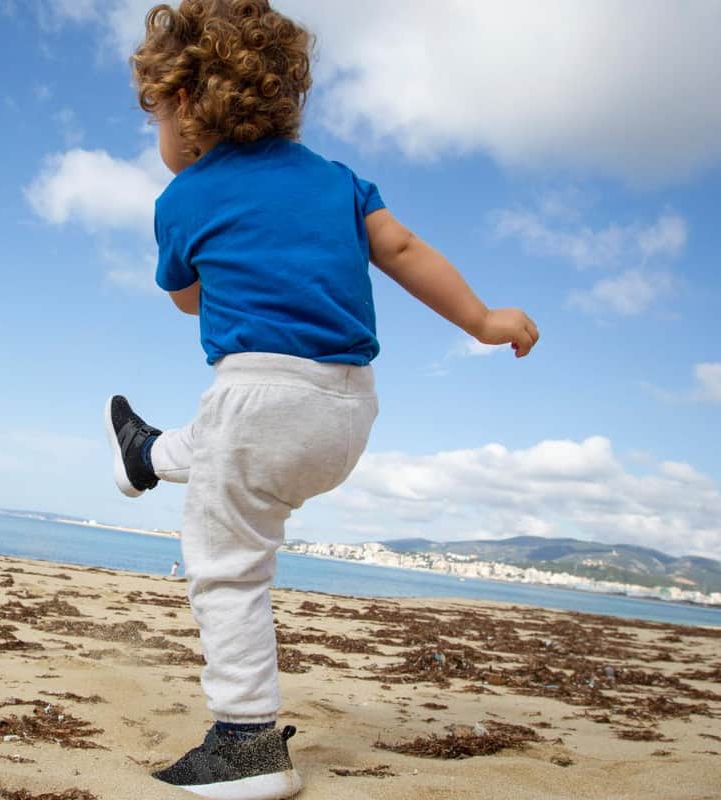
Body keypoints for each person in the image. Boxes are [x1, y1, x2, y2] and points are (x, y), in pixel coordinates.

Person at [103, 2, 539, 798]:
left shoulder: (184, 199)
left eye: (157, 117)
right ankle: (143, 455)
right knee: (224, 451)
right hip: (347, 409)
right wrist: (482, 319)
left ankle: (245, 746)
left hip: (258, 394)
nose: (158, 136)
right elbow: (402, 250)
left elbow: (187, 300)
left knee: (228, 567)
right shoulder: (339, 182)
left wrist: (230, 273)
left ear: (188, 102)